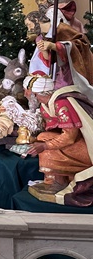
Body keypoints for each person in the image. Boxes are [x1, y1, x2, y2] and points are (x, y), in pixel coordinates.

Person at [26, 75, 93, 204]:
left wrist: (44, 146)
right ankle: (54, 179)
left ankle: (60, 182)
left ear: (36, 93)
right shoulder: (46, 105)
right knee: (42, 138)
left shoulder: (62, 103)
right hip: (77, 144)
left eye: (28, 92)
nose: (26, 95)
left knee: (44, 140)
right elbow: (53, 130)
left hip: (88, 151)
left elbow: (69, 137)